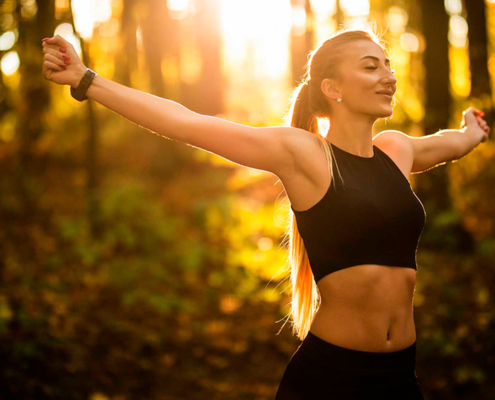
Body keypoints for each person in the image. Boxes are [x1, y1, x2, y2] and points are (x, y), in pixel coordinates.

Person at [41, 26, 489, 400]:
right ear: (331, 88)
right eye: (370, 66)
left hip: (400, 378)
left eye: (387, 65)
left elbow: (448, 144)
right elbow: (187, 122)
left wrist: (472, 132)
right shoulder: (304, 154)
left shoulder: (395, 152)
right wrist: (86, 80)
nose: (387, 75)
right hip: (332, 379)